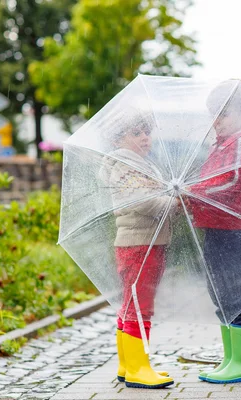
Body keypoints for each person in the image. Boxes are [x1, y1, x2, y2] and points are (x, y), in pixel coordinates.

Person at [189, 80, 241, 384]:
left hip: (232, 232)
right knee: (220, 295)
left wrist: (194, 192)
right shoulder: (221, 144)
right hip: (215, 228)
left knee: (235, 296)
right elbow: (212, 179)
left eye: (223, 114)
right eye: (214, 115)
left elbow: (231, 181)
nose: (216, 121)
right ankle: (231, 358)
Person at [98, 114, 178, 389]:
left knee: (131, 303)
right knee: (140, 305)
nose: (145, 138)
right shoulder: (125, 166)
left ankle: (126, 364)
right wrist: (172, 201)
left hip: (145, 242)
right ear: (118, 139)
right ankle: (138, 368)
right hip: (139, 243)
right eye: (137, 133)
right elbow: (140, 201)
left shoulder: (138, 164)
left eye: (147, 132)